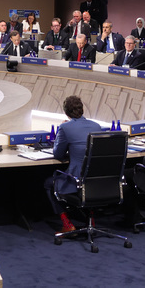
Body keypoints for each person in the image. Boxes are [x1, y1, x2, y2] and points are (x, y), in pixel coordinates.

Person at [45, 95, 102, 232]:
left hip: (76, 179)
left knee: (48, 183)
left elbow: (58, 154)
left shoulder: (65, 127)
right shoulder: (97, 126)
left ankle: (67, 224)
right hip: (97, 181)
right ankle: (91, 220)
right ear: (82, 109)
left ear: (66, 112)